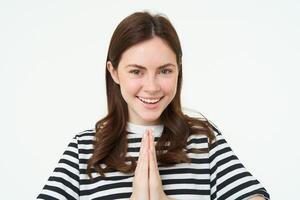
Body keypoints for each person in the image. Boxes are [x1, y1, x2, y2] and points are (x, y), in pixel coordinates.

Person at [37, 11, 270, 200]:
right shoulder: (84, 149)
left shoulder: (204, 141)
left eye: (165, 71)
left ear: (179, 70)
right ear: (114, 72)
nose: (151, 87)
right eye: (137, 71)